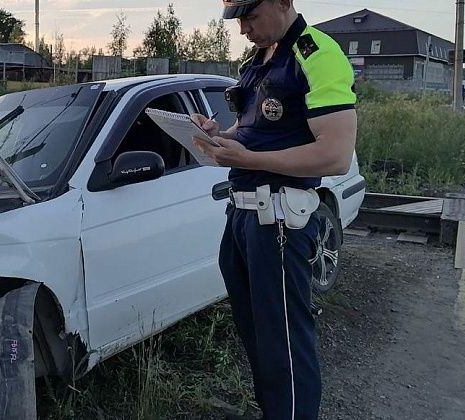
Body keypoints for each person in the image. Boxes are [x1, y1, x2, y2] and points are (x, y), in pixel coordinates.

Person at [190, 1, 358, 419]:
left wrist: (248, 160)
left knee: (285, 342)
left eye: (250, 15)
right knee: (258, 338)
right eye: (238, 19)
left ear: (283, 2)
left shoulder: (316, 54)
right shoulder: (258, 59)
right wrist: (218, 135)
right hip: (243, 215)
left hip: (280, 217)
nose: (243, 27)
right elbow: (256, 131)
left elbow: (335, 155)